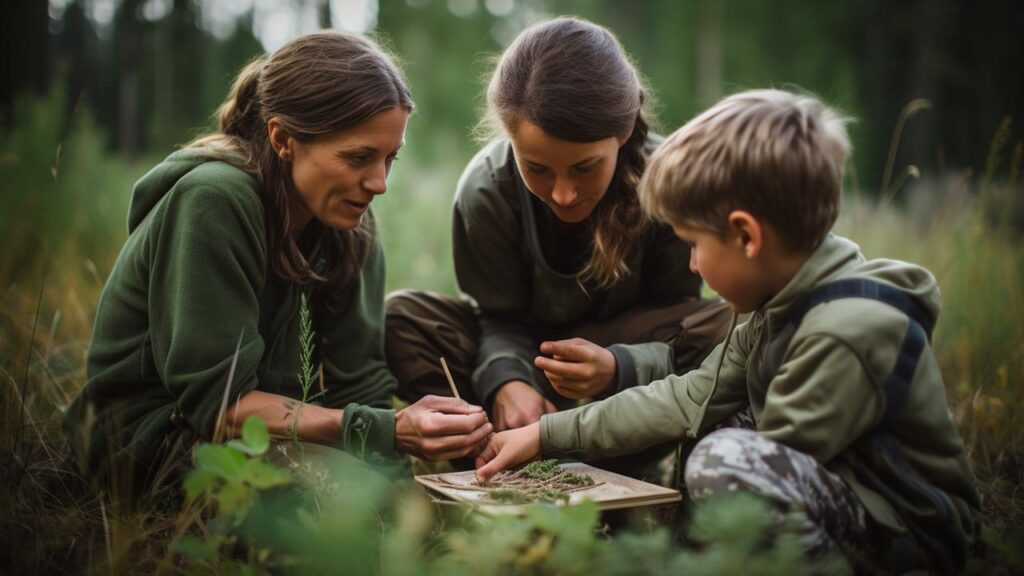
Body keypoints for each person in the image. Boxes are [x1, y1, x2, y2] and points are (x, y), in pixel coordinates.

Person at [474, 89, 982, 573]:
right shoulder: (775, 305)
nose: (692, 265)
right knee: (717, 428)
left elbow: (765, 472)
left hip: (914, 533)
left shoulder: (845, 332)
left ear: (746, 236)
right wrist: (542, 436)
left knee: (724, 454)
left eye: (694, 244)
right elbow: (685, 398)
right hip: (843, 499)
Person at [63, 31, 492, 497]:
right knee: (351, 513)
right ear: (283, 138)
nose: (379, 183)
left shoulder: (351, 223)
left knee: (409, 509)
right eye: (359, 157)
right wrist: (382, 431)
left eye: (390, 158)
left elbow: (361, 382)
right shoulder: (213, 201)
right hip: (149, 438)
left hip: (259, 435)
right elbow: (221, 406)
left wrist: (399, 486)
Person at [385, 17, 730, 440]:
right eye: (538, 168)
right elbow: (497, 318)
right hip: (528, 356)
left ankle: (625, 451)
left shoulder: (670, 183)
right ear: (511, 141)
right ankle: (492, 455)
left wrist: (620, 366)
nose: (564, 194)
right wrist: (507, 379)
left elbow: (679, 319)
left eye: (585, 168)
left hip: (628, 368)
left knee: (734, 324)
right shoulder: (486, 189)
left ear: (622, 133)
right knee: (403, 319)